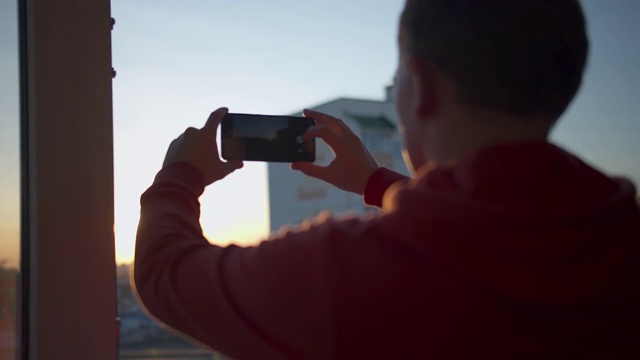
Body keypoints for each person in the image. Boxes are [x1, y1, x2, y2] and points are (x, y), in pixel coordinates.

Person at [133, 1, 640, 359]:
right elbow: (494, 230)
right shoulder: (622, 238)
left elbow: (165, 278)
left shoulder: (344, 274)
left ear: (420, 87)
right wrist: (376, 184)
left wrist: (179, 179)